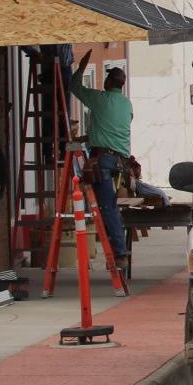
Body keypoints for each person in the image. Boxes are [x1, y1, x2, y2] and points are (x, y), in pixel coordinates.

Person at [69, 50, 132, 260]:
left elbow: (74, 87)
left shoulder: (100, 99)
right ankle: (117, 246)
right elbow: (112, 129)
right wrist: (90, 137)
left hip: (103, 161)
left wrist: (81, 68)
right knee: (112, 206)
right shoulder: (126, 104)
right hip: (121, 162)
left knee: (107, 207)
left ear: (108, 81)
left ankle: (120, 253)